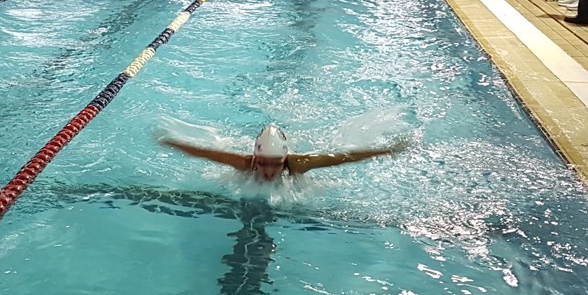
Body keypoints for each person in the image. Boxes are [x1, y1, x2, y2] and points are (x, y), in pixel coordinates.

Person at [158, 124, 407, 182]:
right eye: (263, 164)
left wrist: (387, 150)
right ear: (255, 158)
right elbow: (204, 153)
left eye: (275, 165)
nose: (268, 171)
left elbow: (344, 157)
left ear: (285, 159)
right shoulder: (244, 163)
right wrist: (170, 142)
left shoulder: (299, 164)